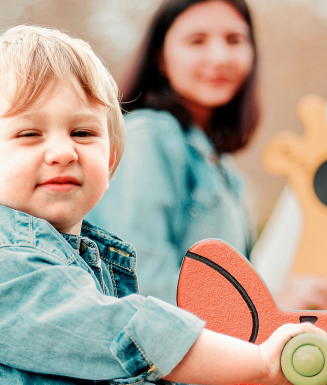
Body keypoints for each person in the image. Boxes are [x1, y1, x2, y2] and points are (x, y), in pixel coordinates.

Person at [0, 25, 326, 385]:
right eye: (29, 133)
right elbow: (125, 333)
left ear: (110, 160)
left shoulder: (85, 270)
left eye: (83, 132)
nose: (62, 151)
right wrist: (263, 363)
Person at [87, 0, 327, 310]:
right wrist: (270, 311)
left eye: (234, 40)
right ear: (161, 58)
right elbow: (141, 288)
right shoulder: (147, 136)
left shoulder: (221, 166)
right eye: (196, 41)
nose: (219, 57)